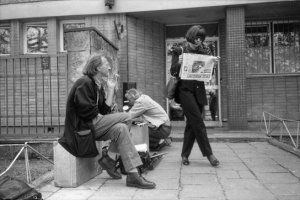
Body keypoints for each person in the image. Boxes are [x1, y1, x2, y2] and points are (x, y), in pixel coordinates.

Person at [58, 54, 155, 189]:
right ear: (98, 67)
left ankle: (132, 175)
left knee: (121, 128)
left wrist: (110, 90)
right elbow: (86, 113)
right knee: (127, 117)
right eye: (106, 64)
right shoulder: (85, 83)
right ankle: (109, 159)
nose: (109, 67)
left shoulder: (97, 85)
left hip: (94, 124)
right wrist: (108, 117)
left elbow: (104, 110)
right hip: (83, 128)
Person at [173, 25, 220, 167]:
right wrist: (179, 63)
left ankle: (184, 155)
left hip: (199, 91)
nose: (199, 40)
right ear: (191, 36)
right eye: (197, 37)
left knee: (191, 125)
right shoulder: (179, 50)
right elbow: (173, 71)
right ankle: (209, 154)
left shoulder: (204, 51)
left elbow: (208, 74)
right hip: (184, 91)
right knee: (198, 122)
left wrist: (213, 64)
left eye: (201, 38)